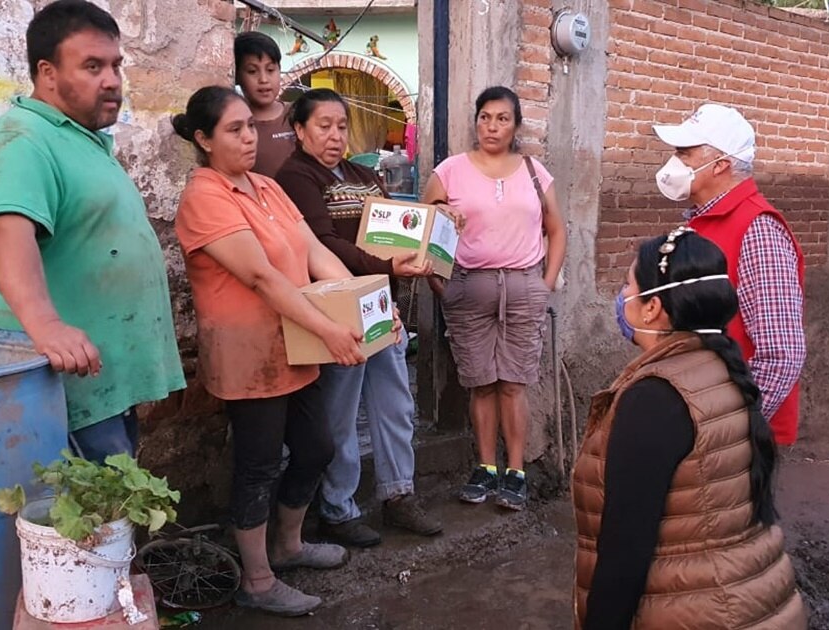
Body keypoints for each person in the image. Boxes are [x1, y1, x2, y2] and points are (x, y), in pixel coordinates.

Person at [172, 86, 367, 616]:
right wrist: (330, 330)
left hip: (295, 345)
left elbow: (313, 251)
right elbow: (260, 275)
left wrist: (364, 307)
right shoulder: (206, 196)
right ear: (203, 139)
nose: (248, 137)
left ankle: (289, 544)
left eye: (251, 127)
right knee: (258, 465)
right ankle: (257, 580)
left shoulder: (265, 187)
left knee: (315, 447)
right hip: (248, 355)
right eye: (234, 129)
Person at [0, 0, 184, 463]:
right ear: (47, 72)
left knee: (109, 517)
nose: (111, 80)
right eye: (92, 66)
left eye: (115, 66)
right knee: (87, 525)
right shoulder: (20, 141)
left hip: (99, 383)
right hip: (61, 386)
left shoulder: (80, 139)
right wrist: (47, 327)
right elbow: (8, 237)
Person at [572, 228, 807, 629]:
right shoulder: (722, 370)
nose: (622, 295)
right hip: (753, 601)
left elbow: (625, 550)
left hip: (697, 611)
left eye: (628, 284)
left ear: (652, 308)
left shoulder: (655, 398)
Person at [274, 88, 442, 548]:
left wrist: (432, 235)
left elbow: (390, 231)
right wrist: (389, 266)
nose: (334, 135)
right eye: (323, 126)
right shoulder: (295, 177)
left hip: (380, 309)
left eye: (341, 126)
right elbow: (324, 244)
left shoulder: (361, 173)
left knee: (395, 404)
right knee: (341, 413)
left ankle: (398, 494)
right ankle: (337, 508)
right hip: (337, 312)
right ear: (300, 129)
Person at [422, 86, 566, 510]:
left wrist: (547, 282)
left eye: (502, 118)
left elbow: (557, 230)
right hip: (468, 286)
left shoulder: (535, 172)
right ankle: (485, 467)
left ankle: (516, 471)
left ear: (516, 126)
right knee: (481, 384)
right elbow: (424, 229)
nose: (492, 126)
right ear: (476, 121)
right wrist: (438, 282)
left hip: (523, 286)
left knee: (513, 384)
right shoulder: (449, 171)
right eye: (485, 117)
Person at [652, 103, 806, 446]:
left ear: (720, 164)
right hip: (700, 416)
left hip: (731, 438)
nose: (675, 161)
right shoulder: (701, 221)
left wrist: (734, 428)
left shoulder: (758, 230)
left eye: (685, 152)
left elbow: (781, 353)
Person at [234, 31, 296, 178]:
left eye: (270, 70)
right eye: (252, 71)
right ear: (236, 75)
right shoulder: (234, 123)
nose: (263, 79)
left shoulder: (298, 114)